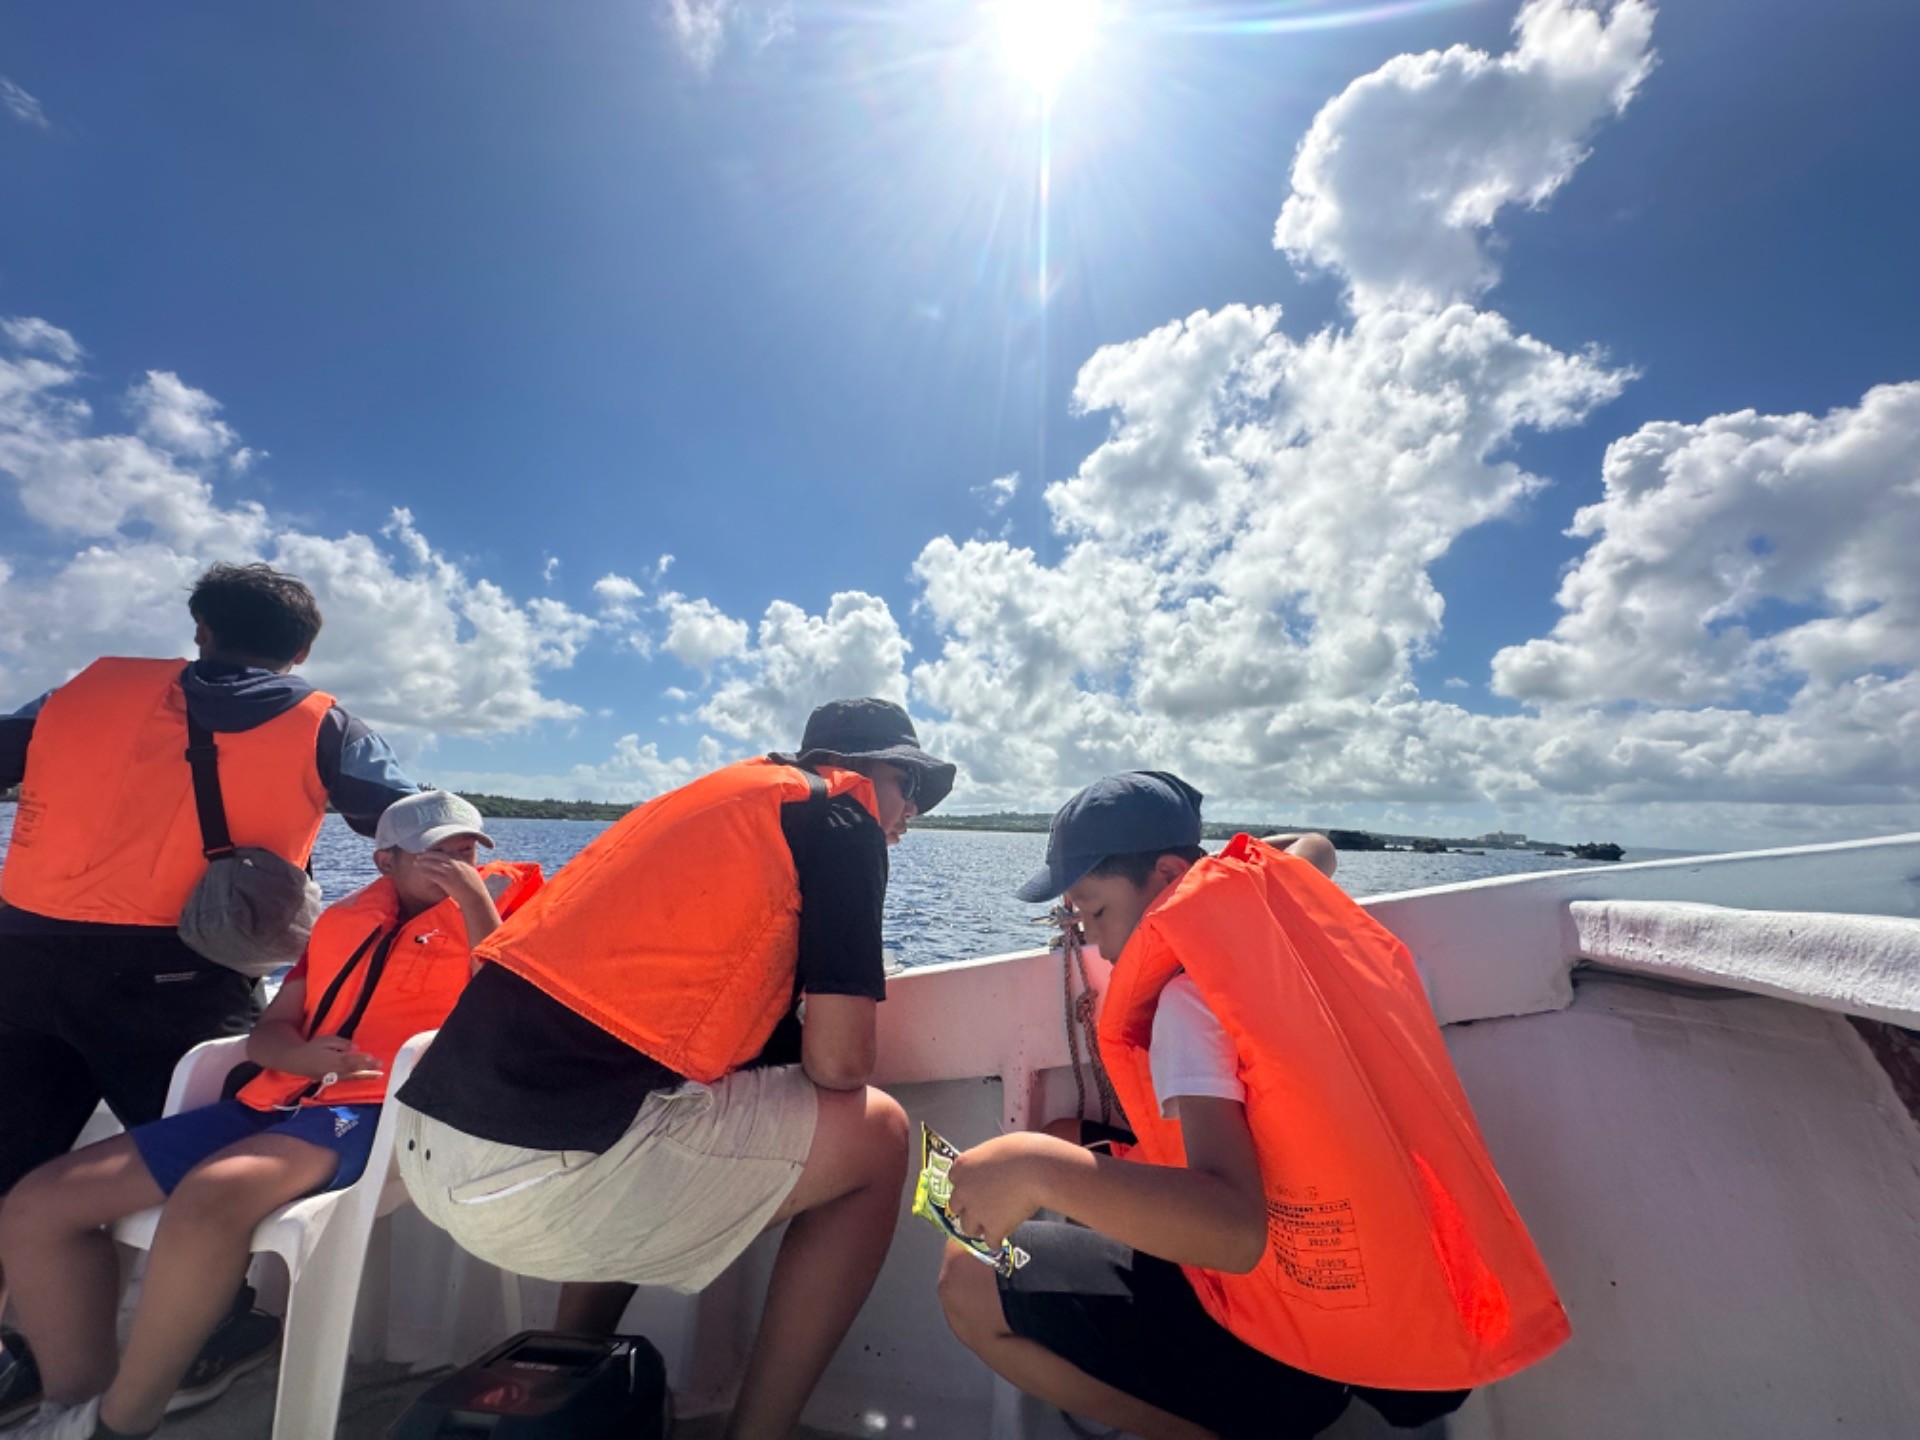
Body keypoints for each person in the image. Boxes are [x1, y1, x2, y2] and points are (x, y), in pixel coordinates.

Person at [937, 772, 1570, 1440]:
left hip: (1289, 1361)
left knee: (967, 1279)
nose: (1094, 944)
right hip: (1412, 1323)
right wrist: (1222, 876)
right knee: (1072, 1133)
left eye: (1095, 913)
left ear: (1166, 873)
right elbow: (1315, 848)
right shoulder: (1290, 922)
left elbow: (1237, 1232)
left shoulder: (1189, 1001)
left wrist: (1031, 1166)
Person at [392, 698, 954, 1440]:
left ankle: (578, 1366)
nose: (910, 812)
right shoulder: (840, 821)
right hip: (542, 1184)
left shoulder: (714, 806)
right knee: (880, 1137)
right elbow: (843, 1064)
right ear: (863, 771)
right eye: (908, 785)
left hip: (428, 1155)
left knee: (658, 1097)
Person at [0, 562, 419, 1425]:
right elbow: (409, 822)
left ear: (201, 630)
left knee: (12, 1158)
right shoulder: (317, 720)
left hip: (21, 958)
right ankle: (209, 1338)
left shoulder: (78, 694)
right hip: (177, 977)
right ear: (301, 649)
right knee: (216, 1142)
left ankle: (37, 1365)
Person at [0, 792, 542, 1440]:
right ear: (385, 859)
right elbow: (269, 1032)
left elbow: (513, 1020)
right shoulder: (344, 922)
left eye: (465, 850)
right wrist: (304, 1055)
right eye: (434, 851)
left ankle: (118, 1427)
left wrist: (473, 904)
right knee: (40, 1203)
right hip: (280, 1098)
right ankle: (74, 1407)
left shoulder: (511, 914)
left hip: (387, 1113)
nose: (453, 861)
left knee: (211, 1195)